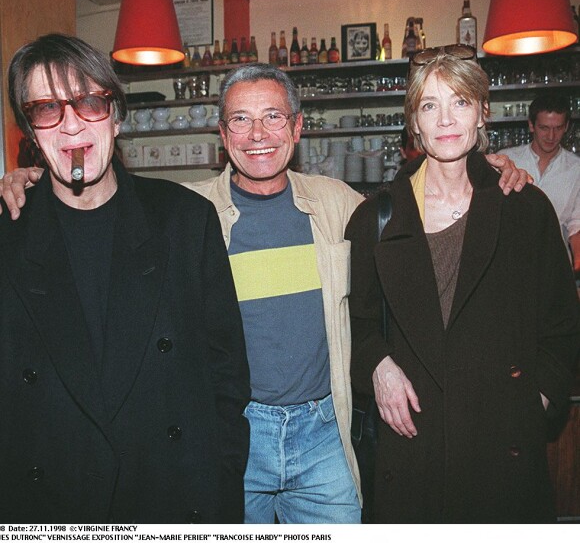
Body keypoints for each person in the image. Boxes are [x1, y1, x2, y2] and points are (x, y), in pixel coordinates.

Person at [0, 62, 529, 524]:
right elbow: (96, 209)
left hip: (324, 433)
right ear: (222, 135)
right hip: (236, 433)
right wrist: (30, 180)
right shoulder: (182, 217)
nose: (258, 134)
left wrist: (491, 167)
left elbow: (420, 214)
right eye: (240, 120)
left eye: (274, 117)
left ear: (297, 127)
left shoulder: (341, 204)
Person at [0, 33, 250, 523]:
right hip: (52, 509)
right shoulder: (9, 235)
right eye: (48, 109)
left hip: (172, 500)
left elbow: (228, 380)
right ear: (30, 131)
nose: (72, 125)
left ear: (116, 115)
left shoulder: (186, 220)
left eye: (90, 101)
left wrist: (216, 495)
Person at [346, 45, 580, 523]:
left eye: (460, 101)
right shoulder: (377, 217)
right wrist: (377, 366)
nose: (446, 119)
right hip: (414, 445)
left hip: (501, 445)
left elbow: (561, 322)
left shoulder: (525, 208)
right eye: (430, 105)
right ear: (414, 122)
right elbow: (355, 321)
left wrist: (536, 401)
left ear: (482, 113)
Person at [500, 94, 580, 272]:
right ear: (531, 125)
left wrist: (578, 264)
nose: (551, 136)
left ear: (566, 127)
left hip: (555, 267)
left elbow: (576, 226)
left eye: (558, 128)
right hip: (510, 266)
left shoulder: (577, 169)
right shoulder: (507, 160)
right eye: (544, 128)